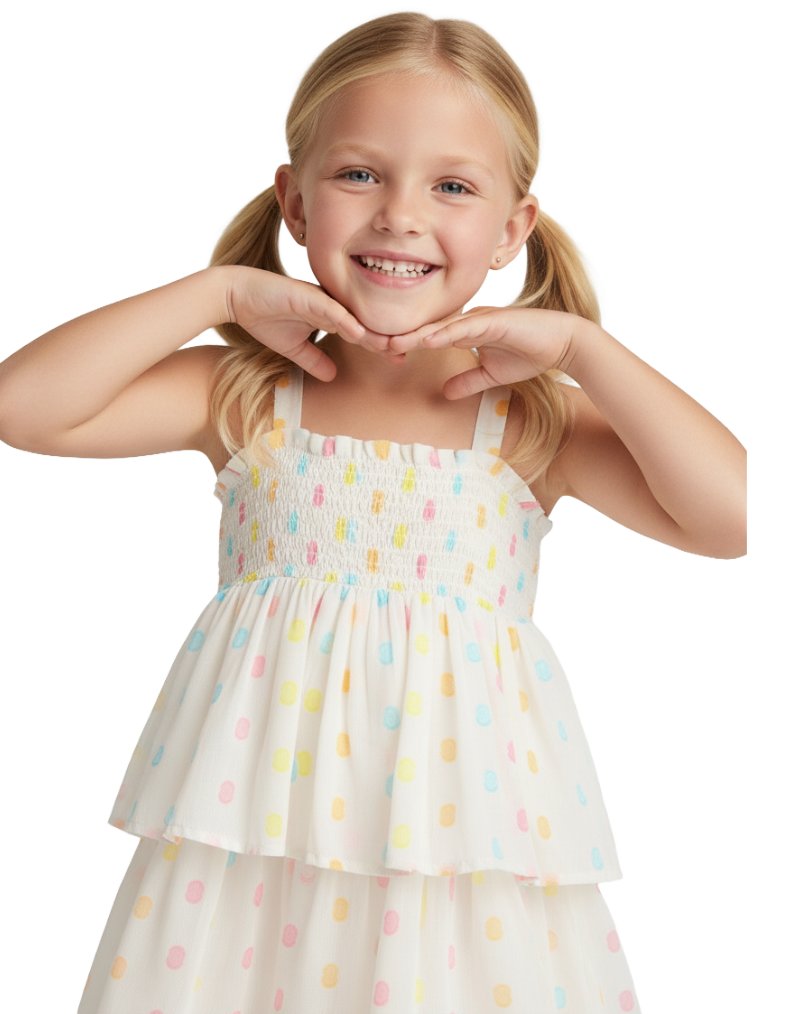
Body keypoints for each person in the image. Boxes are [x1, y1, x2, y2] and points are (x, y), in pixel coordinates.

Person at [0, 12, 746, 1014]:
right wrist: (219, 292)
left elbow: (736, 517)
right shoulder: (246, 397)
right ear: (295, 203)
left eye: (452, 186)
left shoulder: (532, 424)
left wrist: (583, 350)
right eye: (359, 175)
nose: (399, 215)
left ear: (513, 229)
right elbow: (24, 408)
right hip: (249, 865)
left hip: (458, 874)